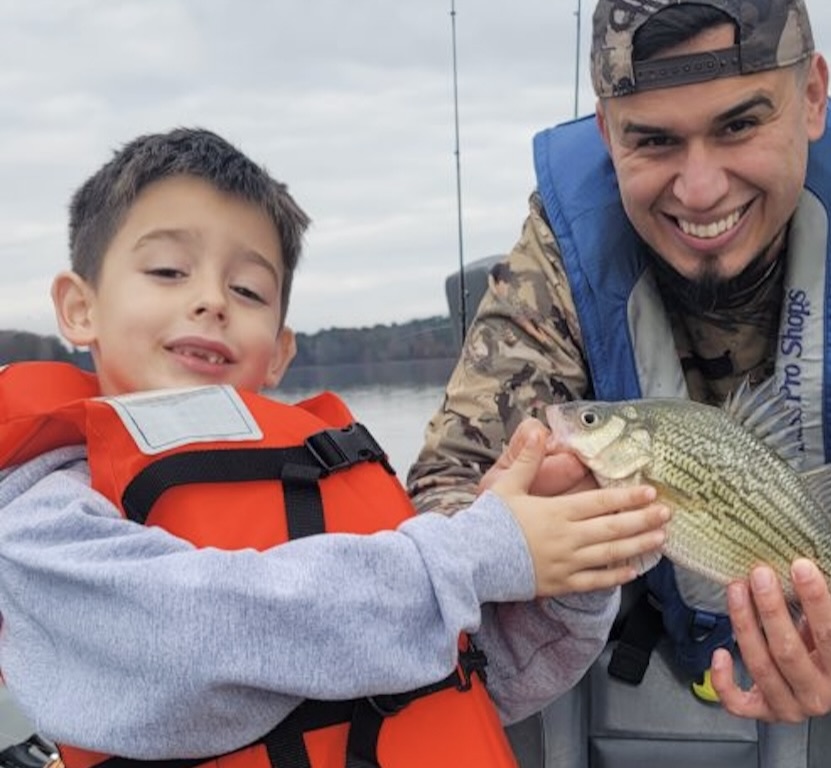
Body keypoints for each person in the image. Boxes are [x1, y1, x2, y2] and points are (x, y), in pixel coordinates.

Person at [406, 1, 831, 767]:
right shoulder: (559, 249)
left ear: (812, 97)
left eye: (738, 125)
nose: (699, 191)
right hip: (605, 661)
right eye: (654, 140)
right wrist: (500, 526)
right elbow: (448, 480)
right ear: (606, 132)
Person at [0, 127, 672, 766]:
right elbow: (194, 639)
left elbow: (484, 676)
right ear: (78, 308)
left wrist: (560, 570)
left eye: (248, 289)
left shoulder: (323, 491)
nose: (211, 300)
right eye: (169, 270)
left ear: (279, 354)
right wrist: (480, 553)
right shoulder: (43, 519)